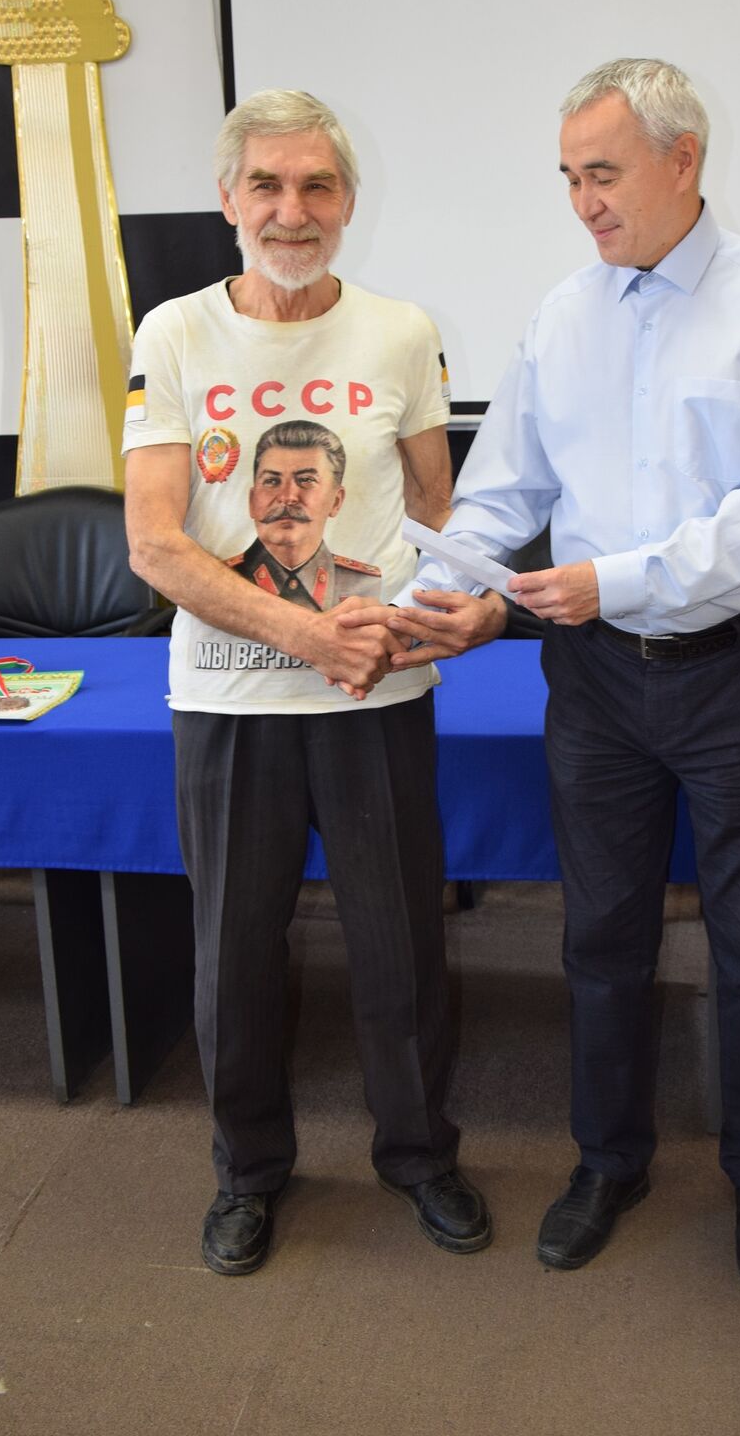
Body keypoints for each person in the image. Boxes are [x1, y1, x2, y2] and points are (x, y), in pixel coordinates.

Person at [370, 57, 740, 1288]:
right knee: (601, 935)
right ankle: (606, 1160)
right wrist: (445, 591)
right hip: (591, 679)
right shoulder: (560, 315)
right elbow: (503, 492)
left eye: (602, 173)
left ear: (682, 161)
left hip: (736, 668)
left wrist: (610, 581)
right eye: (567, 177)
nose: (582, 202)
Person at [123, 88, 490, 1276]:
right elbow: (155, 544)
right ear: (228, 199)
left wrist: (452, 611)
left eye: (317, 185)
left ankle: (419, 1155)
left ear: (347, 201)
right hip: (228, 704)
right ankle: (247, 1172)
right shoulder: (173, 333)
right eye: (268, 186)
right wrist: (309, 636)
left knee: (401, 950)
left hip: (376, 701)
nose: (293, 209)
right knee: (233, 959)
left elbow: (436, 510)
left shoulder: (400, 333)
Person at [229, 420, 383, 609]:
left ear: (336, 501)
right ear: (252, 501)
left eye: (306, 480)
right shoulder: (221, 582)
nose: (287, 497)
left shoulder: (364, 584)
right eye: (271, 481)